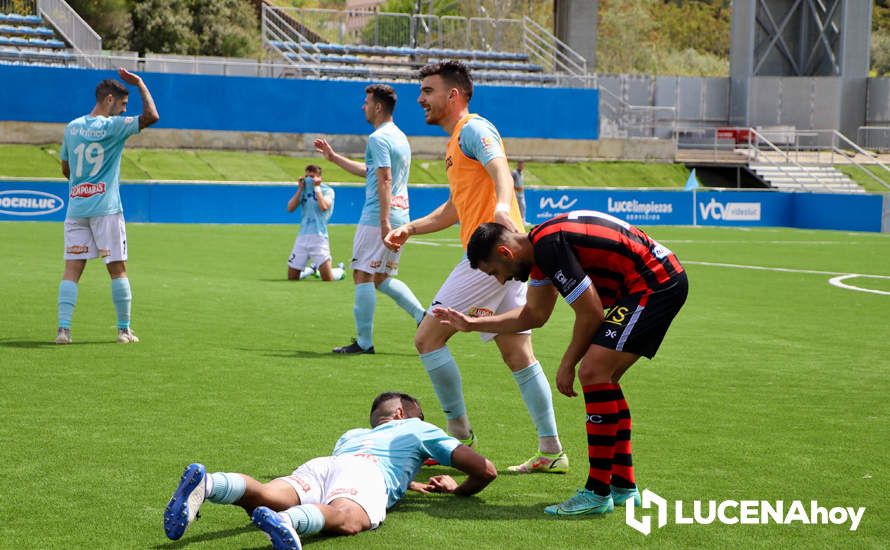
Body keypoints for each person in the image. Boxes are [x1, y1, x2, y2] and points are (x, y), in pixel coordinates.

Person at [432, 211, 689, 516]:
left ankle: (597, 492)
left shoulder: (549, 246)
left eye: (496, 271)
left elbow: (591, 312)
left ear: (505, 252)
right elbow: (533, 315)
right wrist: (472, 324)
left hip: (654, 285)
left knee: (593, 372)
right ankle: (622, 486)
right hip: (648, 284)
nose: (502, 279)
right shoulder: (541, 248)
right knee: (602, 377)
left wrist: (568, 363)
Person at [384, 61, 567, 473]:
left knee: (427, 339)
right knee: (517, 352)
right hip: (506, 259)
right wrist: (411, 228)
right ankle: (551, 450)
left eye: (427, 91)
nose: (420, 99)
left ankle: (457, 437)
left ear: (454, 95)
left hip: (488, 259)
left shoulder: (472, 129)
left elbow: (500, 167)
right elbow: (455, 208)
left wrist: (503, 206)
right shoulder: (454, 143)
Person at [163, 392, 497, 549]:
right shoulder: (416, 428)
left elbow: (351, 472)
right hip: (368, 473)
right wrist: (458, 489)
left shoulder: (353, 435)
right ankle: (289, 522)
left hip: (326, 465)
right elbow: (485, 470)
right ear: (400, 414)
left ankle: (208, 484)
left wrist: (411, 485)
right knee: (348, 517)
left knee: (269, 494)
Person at [314, 84, 425, 354]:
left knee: (362, 274)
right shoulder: (400, 136)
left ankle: (364, 343)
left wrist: (384, 221)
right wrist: (334, 157)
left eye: (366, 102)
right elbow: (373, 172)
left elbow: (385, 178)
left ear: (378, 107)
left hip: (379, 215)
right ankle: (423, 316)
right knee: (381, 277)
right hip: (401, 212)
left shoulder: (377, 138)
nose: (362, 106)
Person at [55, 68, 159, 345]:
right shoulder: (113, 127)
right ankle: (124, 330)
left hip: (77, 209)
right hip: (107, 209)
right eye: (123, 104)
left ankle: (63, 331)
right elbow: (152, 117)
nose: (124, 110)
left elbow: (66, 168)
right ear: (110, 99)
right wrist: (139, 83)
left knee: (72, 269)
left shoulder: (72, 127)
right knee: (117, 268)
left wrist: (84, 184)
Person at [286, 164, 345, 282]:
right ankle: (311, 270)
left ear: (319, 177)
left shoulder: (327, 191)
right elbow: (290, 208)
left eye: (311, 176)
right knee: (292, 277)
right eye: (306, 176)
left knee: (327, 279)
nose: (308, 179)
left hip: (319, 237)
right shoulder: (303, 190)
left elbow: (323, 206)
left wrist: (317, 188)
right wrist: (300, 189)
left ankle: (339, 271)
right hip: (302, 237)